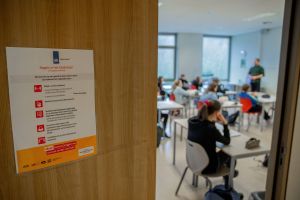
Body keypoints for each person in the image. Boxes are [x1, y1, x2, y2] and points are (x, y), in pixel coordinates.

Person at [187, 100, 238, 188]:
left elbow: (207, 126)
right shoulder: (210, 128)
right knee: (232, 157)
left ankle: (229, 174)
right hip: (208, 166)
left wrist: (213, 120)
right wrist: (225, 124)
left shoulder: (192, 121)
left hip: (193, 161)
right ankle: (228, 183)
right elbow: (227, 141)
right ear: (216, 112)